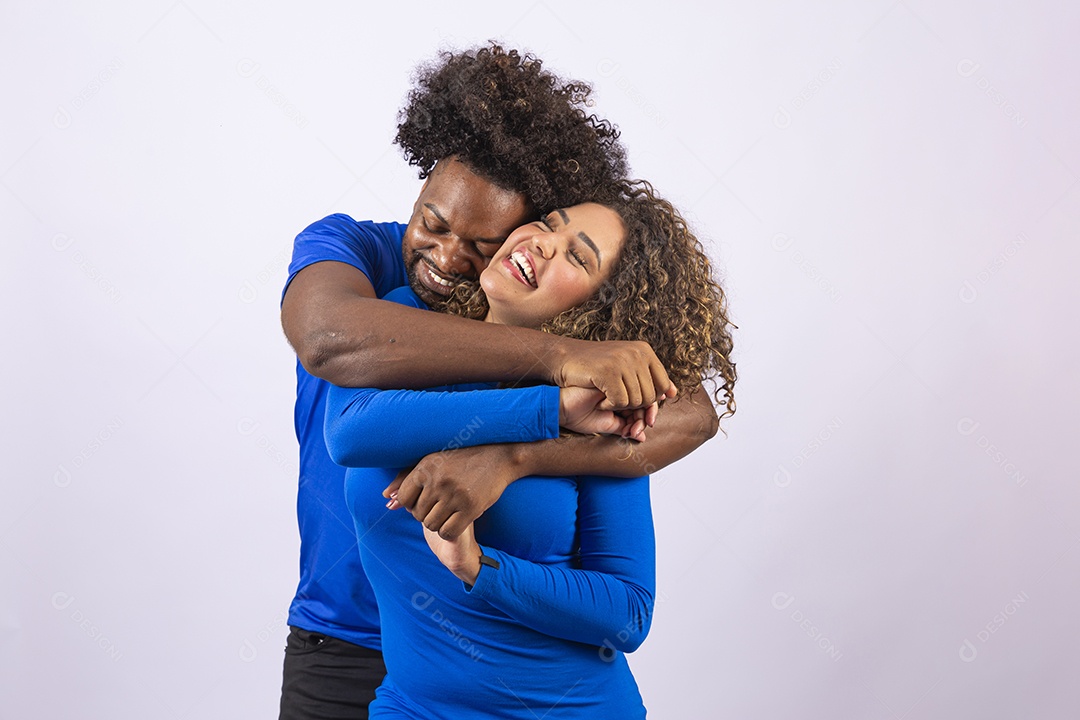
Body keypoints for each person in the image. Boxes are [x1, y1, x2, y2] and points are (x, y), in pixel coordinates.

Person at [279, 44, 721, 718]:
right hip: (340, 641)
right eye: (432, 223)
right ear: (422, 181)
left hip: (525, 665)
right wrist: (558, 373)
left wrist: (512, 458)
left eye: (483, 240)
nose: (446, 256)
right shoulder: (365, 263)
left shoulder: (588, 364)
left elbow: (690, 411)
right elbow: (329, 344)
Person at [324, 183, 737, 718]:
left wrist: (479, 568)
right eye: (550, 224)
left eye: (578, 256)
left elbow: (628, 613)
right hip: (412, 707)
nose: (544, 243)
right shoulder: (410, 320)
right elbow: (351, 433)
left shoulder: (607, 416)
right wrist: (554, 409)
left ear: (601, 310)